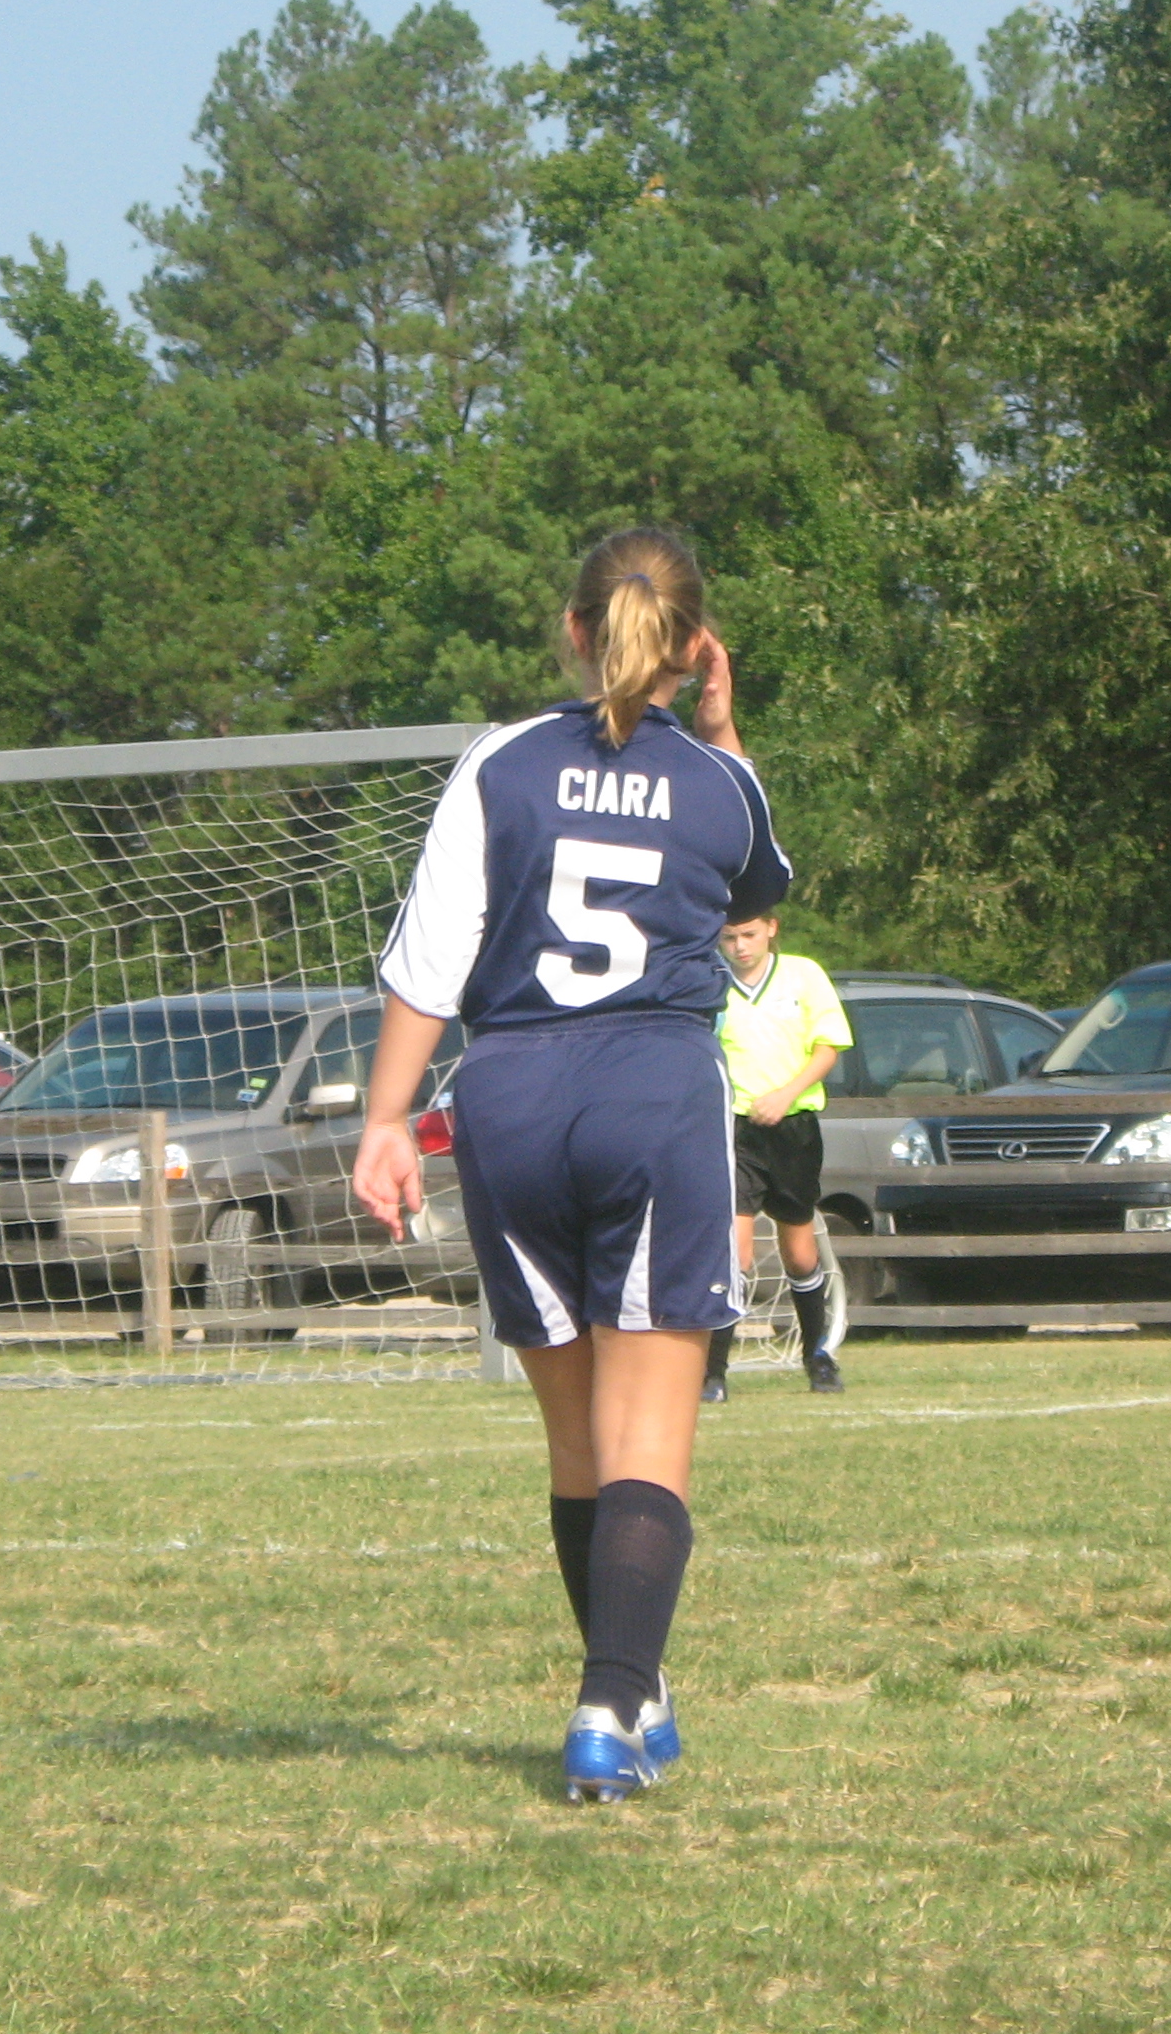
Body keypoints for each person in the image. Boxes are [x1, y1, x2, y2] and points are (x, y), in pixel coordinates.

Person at [351, 526, 790, 1802]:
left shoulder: (500, 762)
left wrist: (386, 1121)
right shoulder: (719, 783)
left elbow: (433, 959)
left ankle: (632, 1689)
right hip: (651, 1092)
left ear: (574, 630)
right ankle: (609, 1701)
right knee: (645, 1430)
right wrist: (720, 726)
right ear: (694, 647)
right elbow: (752, 887)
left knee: (574, 1439)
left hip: (512, 1098)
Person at [700, 911, 854, 1401]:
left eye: (748, 935)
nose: (740, 947)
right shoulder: (711, 983)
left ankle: (818, 1357)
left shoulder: (803, 975)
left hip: (793, 1129)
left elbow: (828, 1047)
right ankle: (713, 1374)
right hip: (736, 1130)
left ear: (771, 927)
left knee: (800, 1253)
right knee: (736, 1253)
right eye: (729, 938)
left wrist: (786, 1095)